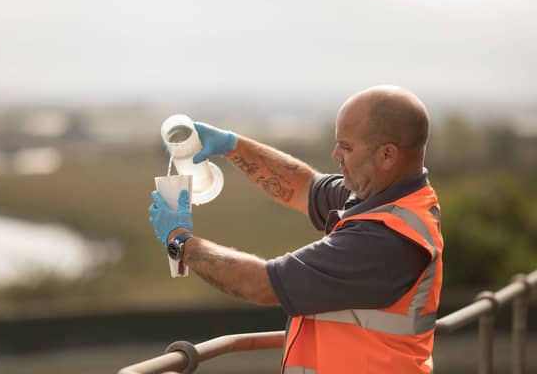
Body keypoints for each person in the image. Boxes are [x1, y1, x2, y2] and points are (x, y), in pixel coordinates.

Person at [148, 85, 443, 374]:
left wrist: (180, 242)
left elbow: (261, 284)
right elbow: (304, 188)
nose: (335, 155)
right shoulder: (388, 197)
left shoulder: (385, 240)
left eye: (346, 147)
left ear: (387, 155)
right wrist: (232, 145)